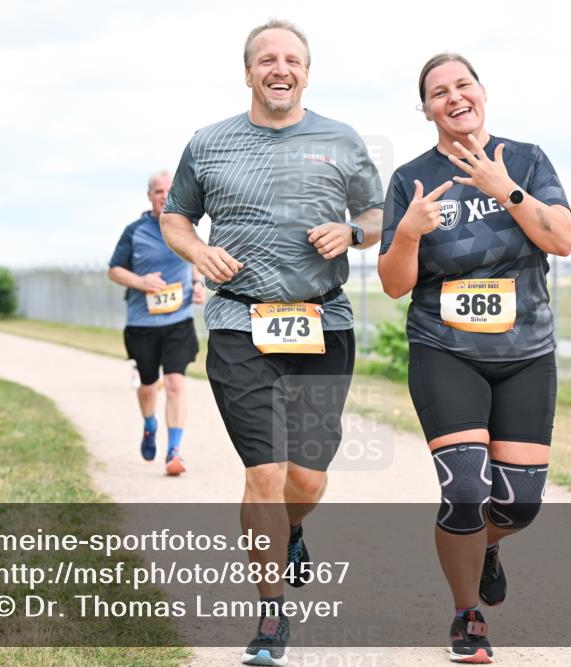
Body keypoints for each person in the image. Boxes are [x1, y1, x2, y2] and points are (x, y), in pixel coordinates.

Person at [160, 19, 383, 666]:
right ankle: (270, 614)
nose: (278, 68)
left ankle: (292, 530)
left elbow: (376, 213)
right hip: (238, 323)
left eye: (291, 59)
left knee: (307, 477)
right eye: (266, 59)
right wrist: (198, 250)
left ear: (306, 72)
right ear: (249, 71)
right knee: (264, 471)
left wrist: (355, 236)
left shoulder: (341, 140)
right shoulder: (209, 142)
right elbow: (176, 214)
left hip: (322, 324)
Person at [378, 53, 571, 664]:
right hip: (445, 347)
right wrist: (408, 231)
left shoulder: (528, 159)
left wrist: (505, 190)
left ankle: (487, 545)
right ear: (426, 108)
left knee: (518, 502)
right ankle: (467, 614)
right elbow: (392, 283)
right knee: (465, 489)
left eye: (463, 85)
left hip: (526, 351)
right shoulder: (411, 176)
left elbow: (561, 240)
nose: (453, 97)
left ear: (482, 92)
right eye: (439, 92)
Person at [108, 170, 204, 476]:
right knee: (149, 386)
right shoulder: (134, 231)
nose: (164, 195)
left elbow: (195, 260)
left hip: (179, 321)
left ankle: (174, 451)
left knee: (175, 383)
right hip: (142, 324)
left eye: (169, 190)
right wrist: (139, 281)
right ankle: (150, 424)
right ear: (149, 196)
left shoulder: (186, 227)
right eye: (158, 191)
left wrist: (199, 283)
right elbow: (114, 270)